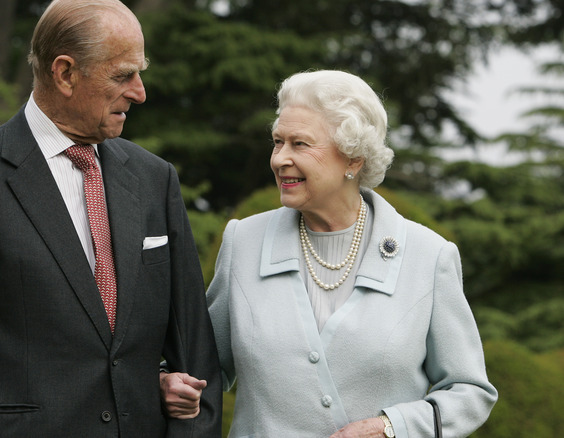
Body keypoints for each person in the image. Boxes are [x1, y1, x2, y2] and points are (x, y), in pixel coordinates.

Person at [0, 0, 222, 436]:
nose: (140, 91)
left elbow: (196, 356)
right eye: (123, 75)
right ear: (65, 73)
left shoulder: (155, 179)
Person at [163, 70, 498, 437]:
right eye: (278, 142)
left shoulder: (429, 256)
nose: (279, 159)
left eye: (300, 144)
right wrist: (169, 380)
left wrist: (391, 428)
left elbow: (470, 392)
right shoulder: (244, 241)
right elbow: (203, 365)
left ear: (353, 160)